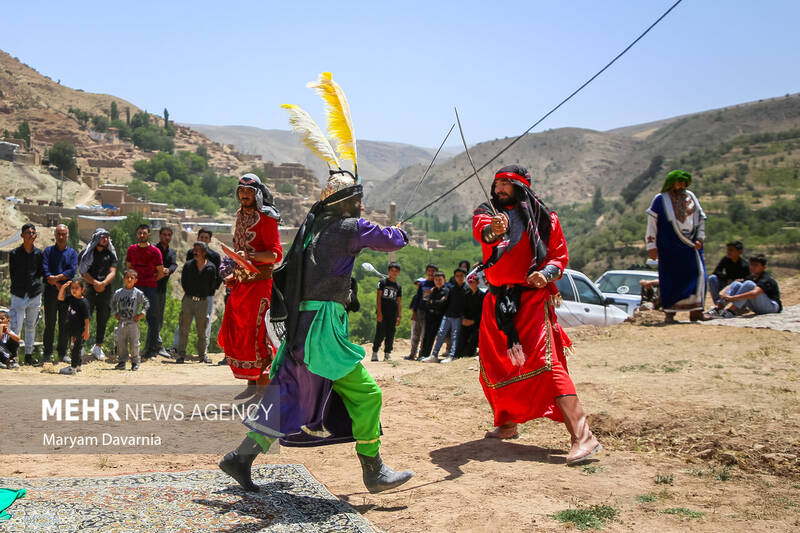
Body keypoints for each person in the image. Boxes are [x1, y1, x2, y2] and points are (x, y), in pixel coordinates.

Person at [220, 76, 411, 494]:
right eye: (357, 199)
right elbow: (390, 240)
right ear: (347, 202)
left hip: (303, 326)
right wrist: (402, 231)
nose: (361, 205)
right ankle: (373, 469)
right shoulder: (349, 227)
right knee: (367, 393)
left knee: (291, 396)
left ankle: (240, 458)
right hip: (324, 327)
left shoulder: (316, 229)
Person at [472, 164, 601, 465]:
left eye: (506, 184)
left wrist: (545, 274)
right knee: (495, 365)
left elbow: (559, 256)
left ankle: (583, 437)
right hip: (497, 301)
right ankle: (507, 423)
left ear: (521, 188)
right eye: (497, 184)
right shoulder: (487, 212)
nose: (499, 189)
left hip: (532, 302)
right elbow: (485, 233)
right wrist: (495, 230)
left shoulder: (546, 219)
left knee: (547, 365)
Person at [217, 174, 282, 382]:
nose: (244, 195)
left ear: (257, 194)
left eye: (249, 191)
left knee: (258, 335)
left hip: (260, 285)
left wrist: (250, 256)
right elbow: (239, 251)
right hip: (241, 285)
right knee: (240, 335)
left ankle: (265, 386)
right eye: (241, 190)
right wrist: (234, 275)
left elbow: (275, 255)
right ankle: (252, 382)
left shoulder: (267, 218)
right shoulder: (239, 215)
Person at [645, 170, 708, 323]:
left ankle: (696, 312)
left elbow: (701, 218)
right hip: (669, 247)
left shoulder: (691, 197)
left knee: (699, 275)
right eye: (679, 183)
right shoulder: (660, 199)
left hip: (691, 246)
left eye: (684, 183)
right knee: (671, 279)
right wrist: (651, 245)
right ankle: (670, 314)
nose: (682, 187)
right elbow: (652, 223)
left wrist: (700, 237)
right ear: (671, 183)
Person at [41, 224, 78, 366]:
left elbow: (71, 271)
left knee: (65, 323)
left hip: (67, 292)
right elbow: (45, 269)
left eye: (63, 234)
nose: (61, 237)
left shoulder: (72, 253)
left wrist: (56, 279)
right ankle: (47, 353)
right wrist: (57, 283)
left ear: (67, 235)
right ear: (55, 235)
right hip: (51, 292)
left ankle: (62, 353)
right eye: (58, 234)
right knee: (50, 323)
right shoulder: (48, 251)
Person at [126, 224, 165, 359]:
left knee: (152, 318)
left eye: (144, 233)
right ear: (137, 234)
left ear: (149, 234)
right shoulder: (131, 249)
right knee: (128, 316)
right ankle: (127, 349)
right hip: (134, 288)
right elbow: (129, 269)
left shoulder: (155, 251)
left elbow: (160, 272)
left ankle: (151, 349)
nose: (142, 235)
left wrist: (151, 280)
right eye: (139, 233)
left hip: (150, 288)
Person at [79, 229, 117, 364]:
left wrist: (103, 283)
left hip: (105, 291)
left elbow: (113, 271)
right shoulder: (86, 254)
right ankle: (80, 346)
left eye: (107, 237)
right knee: (85, 317)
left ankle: (98, 347)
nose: (105, 239)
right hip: (89, 290)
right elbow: (83, 272)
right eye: (102, 237)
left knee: (103, 318)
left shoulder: (110, 254)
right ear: (96, 238)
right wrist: (95, 283)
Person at [177, 242, 218, 364]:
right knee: (184, 328)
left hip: (203, 302)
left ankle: (202, 355)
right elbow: (184, 282)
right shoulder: (188, 266)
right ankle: (181, 355)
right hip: (188, 300)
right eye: (194, 249)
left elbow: (212, 286)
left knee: (202, 330)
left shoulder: (211, 268)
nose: (194, 252)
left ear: (204, 252)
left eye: (197, 250)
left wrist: (203, 295)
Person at [8, 223, 44, 365]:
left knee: (31, 326)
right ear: (22, 235)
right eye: (28, 232)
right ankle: (12, 355)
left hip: (34, 294)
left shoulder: (39, 254)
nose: (31, 235)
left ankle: (28, 355)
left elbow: (40, 273)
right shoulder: (14, 254)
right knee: (15, 326)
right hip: (19, 294)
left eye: (33, 233)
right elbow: (13, 274)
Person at [715, 254, 782, 317]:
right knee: (737, 284)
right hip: (757, 307)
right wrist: (724, 292)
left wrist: (733, 298)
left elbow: (754, 293)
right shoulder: (752, 277)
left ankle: (730, 311)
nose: (753, 267)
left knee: (749, 284)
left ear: (764, 267)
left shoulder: (766, 278)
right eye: (751, 265)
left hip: (771, 307)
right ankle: (718, 309)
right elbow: (736, 283)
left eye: (756, 265)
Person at [425, 267, 467, 364]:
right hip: (448, 314)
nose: (459, 278)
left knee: (455, 336)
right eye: (457, 276)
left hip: (458, 316)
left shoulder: (467, 289)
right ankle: (434, 355)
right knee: (440, 334)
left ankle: (452, 355)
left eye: (461, 276)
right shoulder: (452, 289)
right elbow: (445, 302)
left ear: (465, 276)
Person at [112, 270, 149, 371]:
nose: (129, 279)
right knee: (121, 343)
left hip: (133, 323)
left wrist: (141, 314)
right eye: (127, 277)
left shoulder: (138, 293)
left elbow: (146, 303)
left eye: (132, 278)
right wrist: (115, 313)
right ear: (123, 279)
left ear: (136, 280)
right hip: (122, 322)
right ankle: (122, 362)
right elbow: (112, 303)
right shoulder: (118, 292)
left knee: (134, 344)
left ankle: (135, 362)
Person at [57, 279, 90, 375]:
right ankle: (78, 365)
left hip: (79, 329)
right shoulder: (70, 298)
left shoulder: (84, 302)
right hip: (71, 328)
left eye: (76, 288)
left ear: (82, 289)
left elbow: (87, 318)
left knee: (75, 348)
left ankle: (73, 368)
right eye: (72, 288)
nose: (74, 290)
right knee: (75, 348)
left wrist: (87, 331)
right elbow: (60, 298)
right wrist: (63, 288)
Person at [154, 226, 178, 358]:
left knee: (159, 318)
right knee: (151, 317)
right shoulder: (153, 249)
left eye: (169, 235)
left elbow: (174, 264)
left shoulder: (171, 252)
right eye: (164, 234)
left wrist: (168, 270)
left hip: (162, 289)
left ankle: (154, 344)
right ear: (160, 235)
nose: (167, 237)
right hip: (151, 287)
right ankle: (157, 344)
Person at [371, 262, 402, 362]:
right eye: (392, 271)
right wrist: (379, 312)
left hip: (393, 313)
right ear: (388, 271)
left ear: (398, 273)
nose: (394, 273)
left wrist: (399, 315)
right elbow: (378, 297)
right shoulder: (383, 282)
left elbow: (399, 301)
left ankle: (387, 353)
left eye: (396, 271)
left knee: (390, 333)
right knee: (380, 332)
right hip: (383, 312)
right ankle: (375, 352)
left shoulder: (398, 286)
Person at [706, 240, 749, 312]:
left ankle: (740, 306)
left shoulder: (744, 265)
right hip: (726, 284)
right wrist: (727, 279)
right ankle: (718, 304)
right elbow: (717, 271)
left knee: (738, 285)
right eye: (728, 250)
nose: (728, 252)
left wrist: (734, 282)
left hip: (737, 288)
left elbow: (747, 279)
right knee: (712, 278)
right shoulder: (725, 260)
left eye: (731, 250)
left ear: (739, 252)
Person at [405, 265, 437, 360]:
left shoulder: (437, 284)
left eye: (433, 271)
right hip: (420, 310)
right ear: (426, 272)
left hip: (430, 312)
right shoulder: (423, 284)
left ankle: (421, 354)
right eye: (429, 271)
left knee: (424, 335)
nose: (431, 273)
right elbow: (418, 298)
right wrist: (414, 312)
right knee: (415, 333)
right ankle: (412, 353)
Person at [418, 271, 448, 362]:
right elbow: (426, 301)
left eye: (440, 280)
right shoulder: (433, 290)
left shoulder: (446, 291)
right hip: (429, 315)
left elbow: (442, 303)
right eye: (436, 280)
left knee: (434, 336)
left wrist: (433, 302)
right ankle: (423, 354)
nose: (438, 282)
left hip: (439, 316)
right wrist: (434, 302)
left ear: (444, 280)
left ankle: (431, 355)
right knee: (426, 336)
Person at [454, 273, 485, 359]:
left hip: (477, 323)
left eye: (473, 282)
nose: (471, 284)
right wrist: (464, 318)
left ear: (478, 283)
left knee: (472, 341)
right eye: (470, 282)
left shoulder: (482, 296)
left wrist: (474, 320)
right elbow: (462, 308)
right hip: (466, 321)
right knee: (461, 340)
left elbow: (482, 311)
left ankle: (469, 353)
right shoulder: (466, 294)